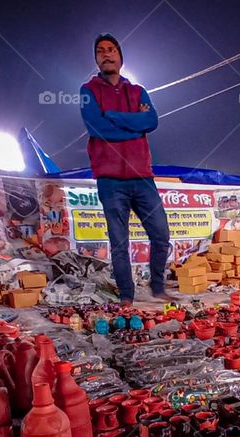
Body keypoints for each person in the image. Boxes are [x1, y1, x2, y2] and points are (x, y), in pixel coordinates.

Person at [80, 33, 174, 305]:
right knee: (120, 243)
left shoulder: (137, 91)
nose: (106, 54)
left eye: (111, 50)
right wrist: (135, 125)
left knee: (161, 233)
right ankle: (127, 297)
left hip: (143, 177)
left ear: (120, 57)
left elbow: (153, 120)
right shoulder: (88, 91)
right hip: (110, 181)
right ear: (96, 59)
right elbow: (96, 127)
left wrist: (114, 117)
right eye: (100, 51)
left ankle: (158, 288)